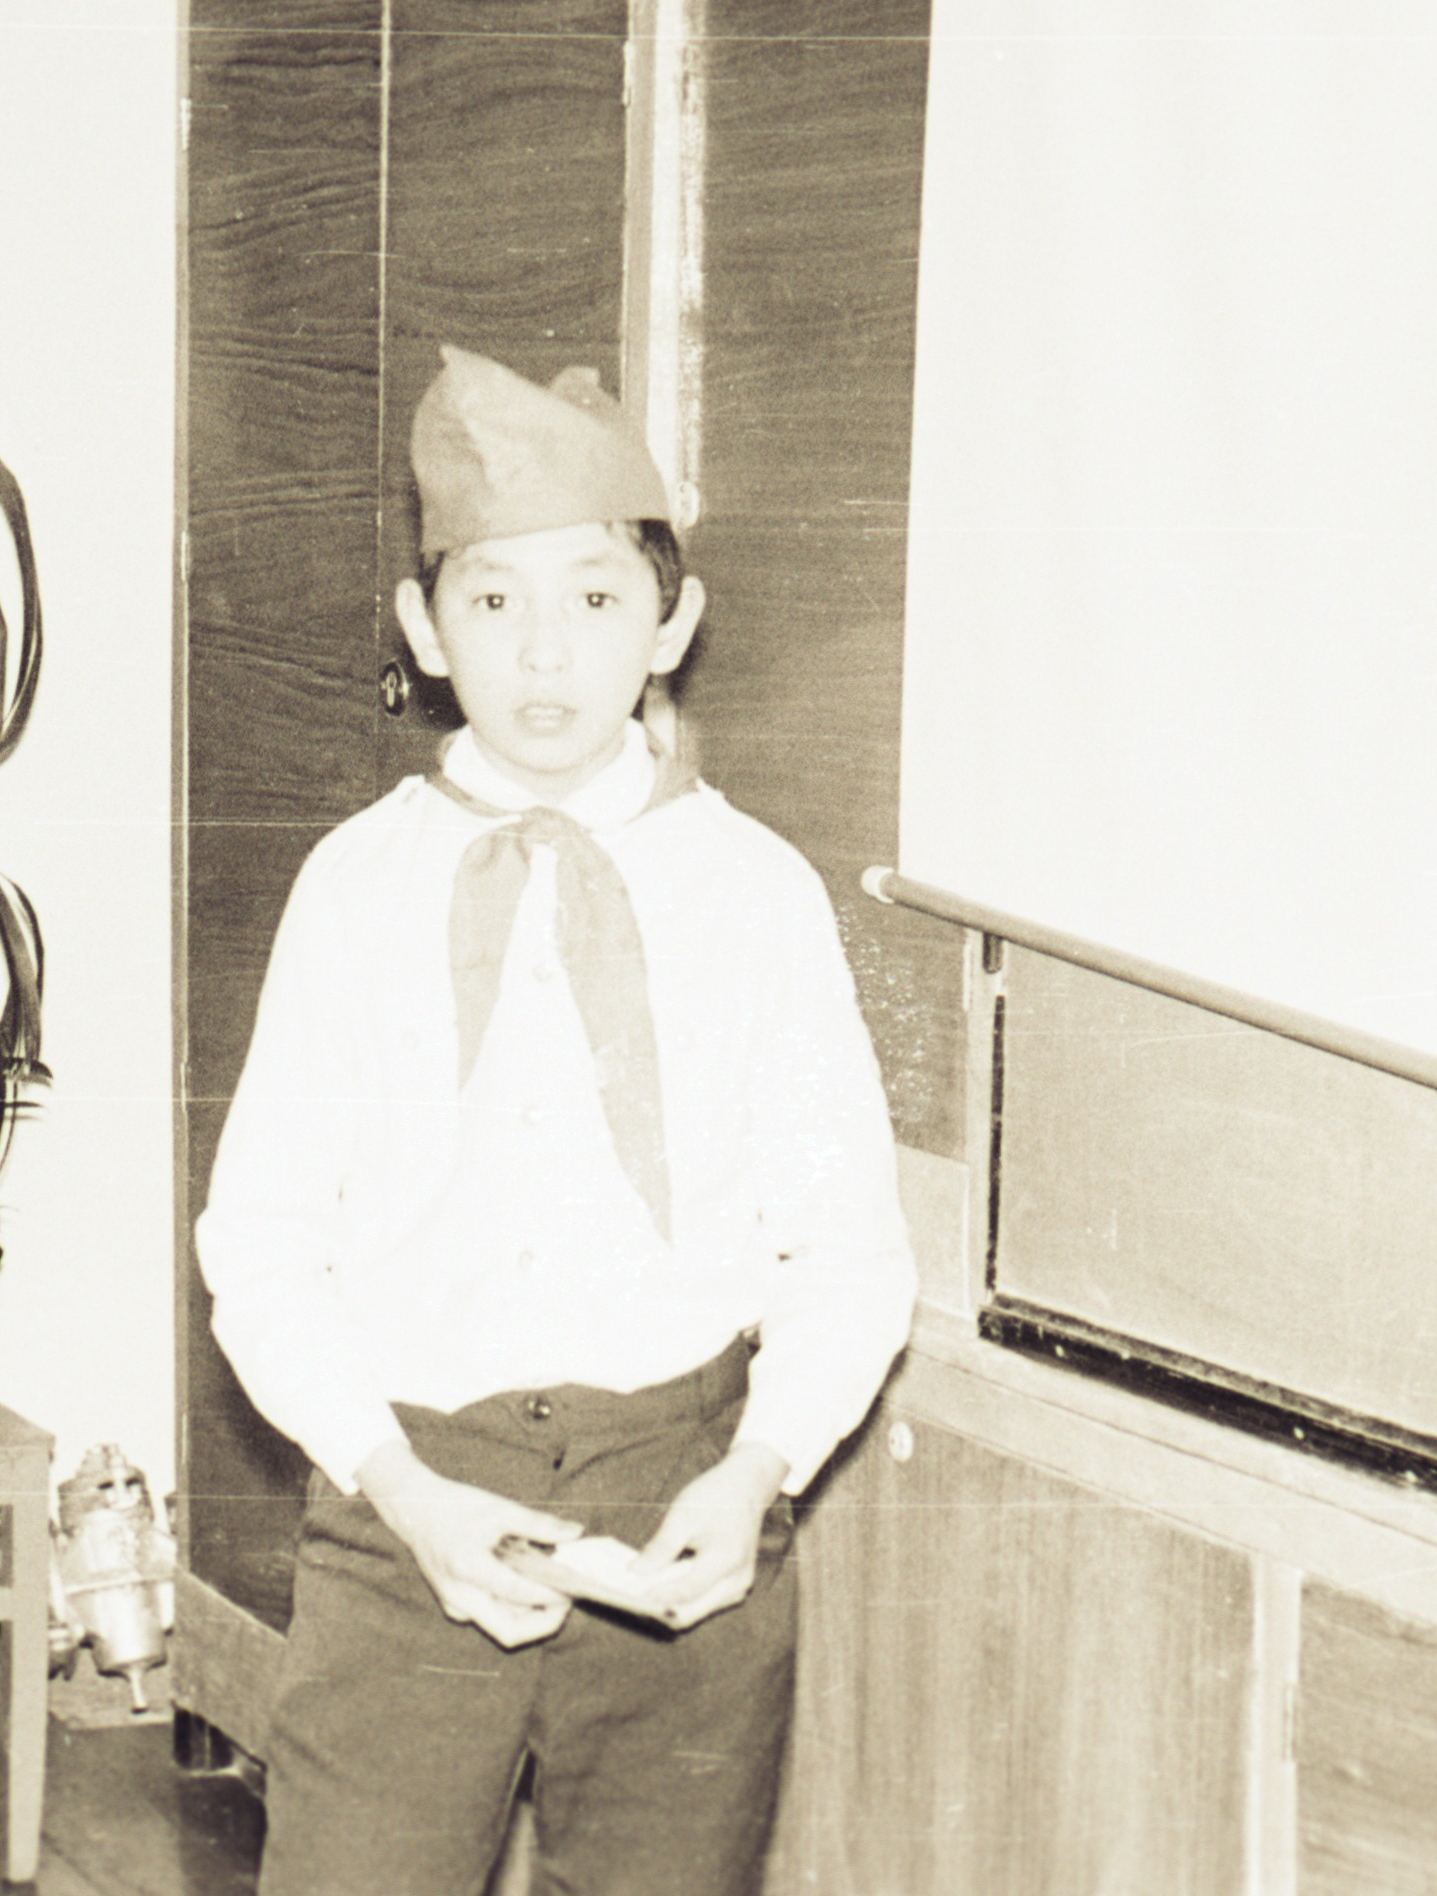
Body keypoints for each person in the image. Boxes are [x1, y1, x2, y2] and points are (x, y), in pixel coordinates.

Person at [193, 344, 917, 1896]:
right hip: (406, 1508)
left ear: (671, 620)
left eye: (593, 596)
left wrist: (759, 1470)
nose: (542, 652)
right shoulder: (355, 886)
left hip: (684, 1507)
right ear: (422, 628)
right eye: (490, 596)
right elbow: (258, 1244)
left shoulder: (754, 894)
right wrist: (398, 1486)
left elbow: (848, 1250)